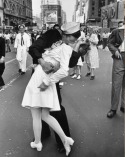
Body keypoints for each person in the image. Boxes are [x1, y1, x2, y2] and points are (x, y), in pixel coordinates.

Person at [28, 23, 84, 153]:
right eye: (70, 39)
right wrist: (42, 62)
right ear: (64, 34)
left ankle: (63, 139)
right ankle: (42, 133)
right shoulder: (51, 34)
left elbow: (70, 64)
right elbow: (33, 48)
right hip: (39, 73)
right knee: (38, 106)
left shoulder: (71, 45)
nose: (71, 41)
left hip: (53, 78)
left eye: (75, 40)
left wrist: (75, 50)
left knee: (56, 107)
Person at [107, 21, 125, 118]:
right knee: (116, 84)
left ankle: (123, 105)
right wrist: (115, 51)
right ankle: (113, 108)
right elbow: (109, 43)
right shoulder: (117, 31)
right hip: (119, 57)